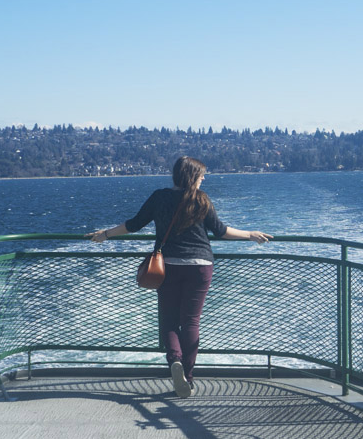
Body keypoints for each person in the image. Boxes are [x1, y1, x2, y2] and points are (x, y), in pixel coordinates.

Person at [86, 156, 272, 398]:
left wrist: (105, 235)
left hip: (168, 267)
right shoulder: (201, 199)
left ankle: (174, 361)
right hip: (201, 266)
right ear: (192, 176)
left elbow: (133, 225)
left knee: (170, 321)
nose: (204, 178)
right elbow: (221, 231)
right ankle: (188, 377)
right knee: (191, 322)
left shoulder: (159, 196)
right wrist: (250, 235)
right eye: (202, 175)